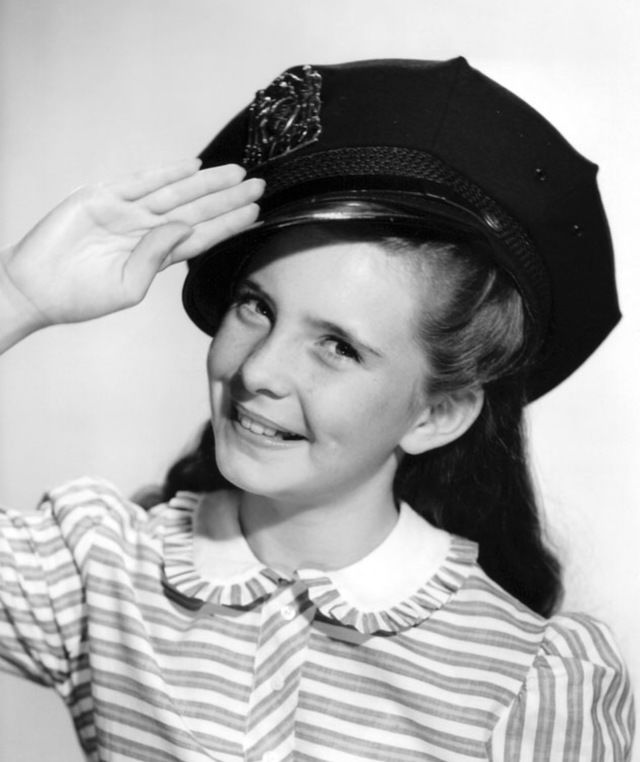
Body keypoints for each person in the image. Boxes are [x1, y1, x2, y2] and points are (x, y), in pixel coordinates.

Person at [0, 58, 634, 761]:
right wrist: (15, 296)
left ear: (436, 414)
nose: (258, 371)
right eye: (256, 306)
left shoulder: (529, 681)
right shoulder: (101, 571)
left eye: (338, 347)